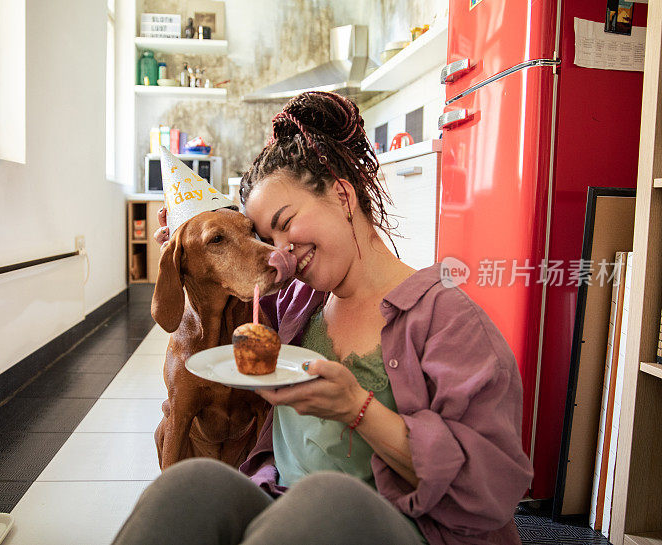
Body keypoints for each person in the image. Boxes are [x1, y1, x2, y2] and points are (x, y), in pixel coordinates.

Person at [111, 91, 533, 545]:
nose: (279, 249)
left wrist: (359, 409)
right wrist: (192, 256)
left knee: (326, 498)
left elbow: (491, 490)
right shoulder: (293, 304)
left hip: (407, 526)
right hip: (283, 506)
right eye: (266, 235)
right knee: (188, 487)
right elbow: (205, 310)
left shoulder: (448, 321)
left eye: (286, 221)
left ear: (342, 193)